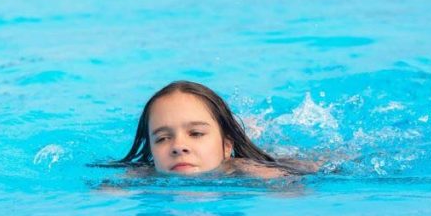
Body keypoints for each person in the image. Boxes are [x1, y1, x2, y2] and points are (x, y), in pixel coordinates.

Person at [116, 81, 303, 179]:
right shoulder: (143, 175)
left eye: (196, 133)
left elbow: (291, 185)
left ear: (227, 146)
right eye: (163, 138)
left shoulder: (245, 169)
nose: (178, 146)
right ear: (151, 151)